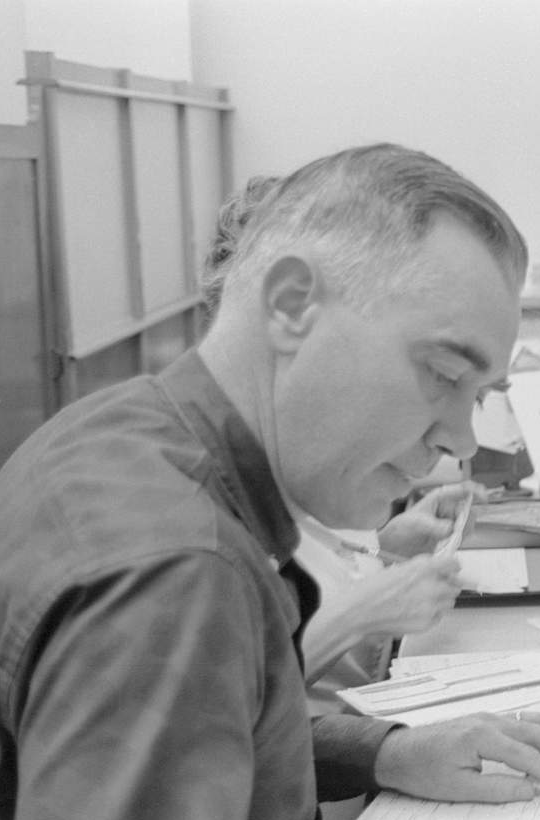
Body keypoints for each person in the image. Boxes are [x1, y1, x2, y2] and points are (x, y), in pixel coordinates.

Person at [0, 143, 540, 820]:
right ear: (293, 303)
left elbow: (207, 723)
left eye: (478, 397)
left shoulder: (125, 431)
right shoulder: (177, 574)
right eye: (443, 373)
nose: (461, 440)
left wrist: (384, 750)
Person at [200, 173, 482, 714]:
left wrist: (388, 547)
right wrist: (363, 613)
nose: (460, 440)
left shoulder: (289, 454)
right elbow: (223, 717)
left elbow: (307, 564)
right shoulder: (192, 514)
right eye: (439, 373)